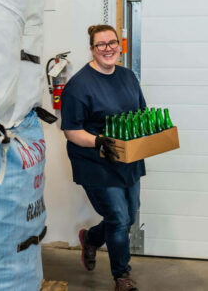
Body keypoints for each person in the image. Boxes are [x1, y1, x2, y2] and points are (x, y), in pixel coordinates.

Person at [60, 24, 146, 291]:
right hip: (96, 160)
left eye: (112, 43)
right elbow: (71, 131)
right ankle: (122, 276)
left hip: (127, 158)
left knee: (129, 217)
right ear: (92, 49)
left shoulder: (128, 76)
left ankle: (91, 239)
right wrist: (98, 140)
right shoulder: (79, 85)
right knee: (119, 219)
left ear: (119, 47)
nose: (107, 48)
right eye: (101, 44)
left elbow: (140, 113)